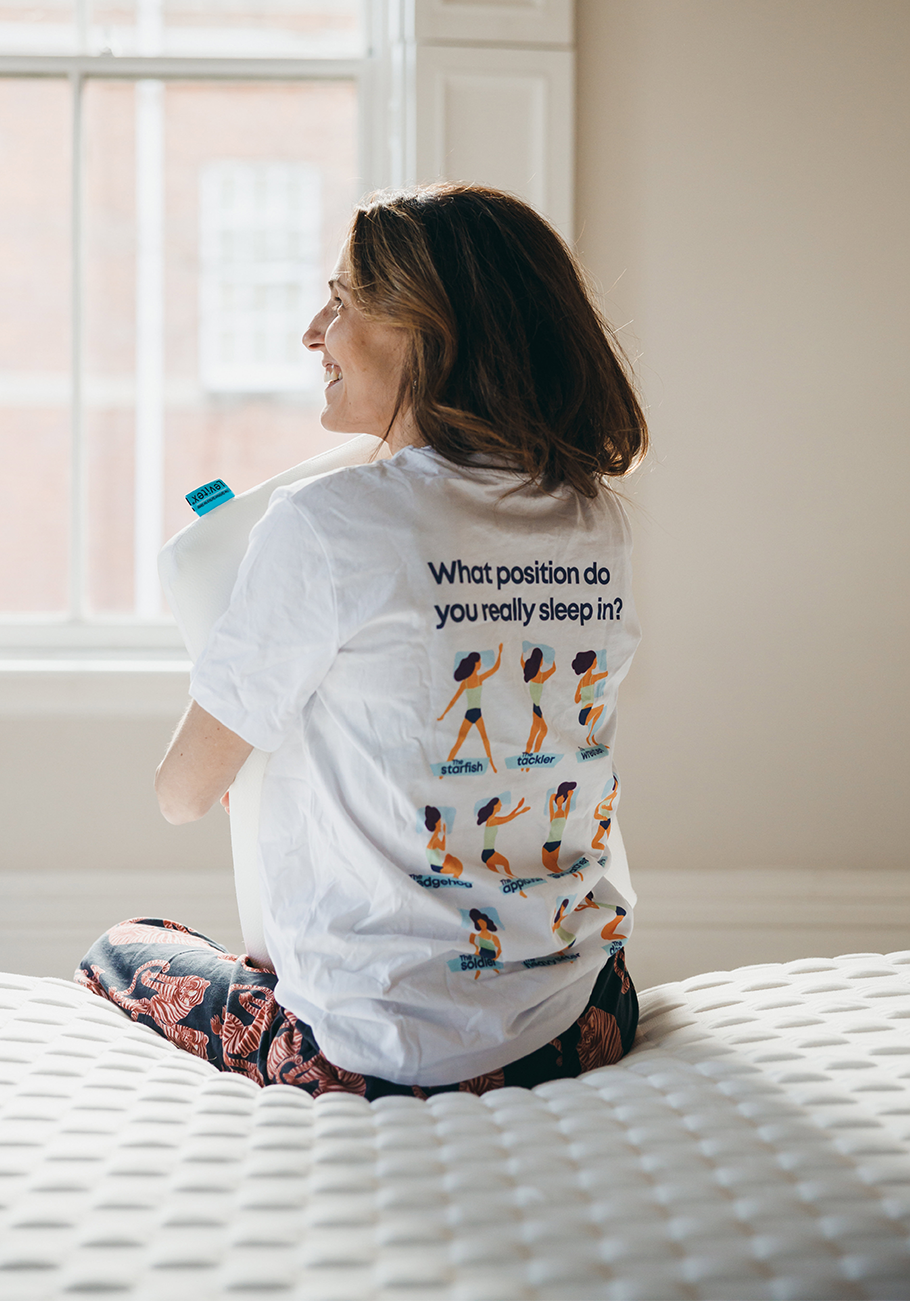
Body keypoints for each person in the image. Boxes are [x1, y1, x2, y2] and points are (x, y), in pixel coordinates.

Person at [78, 183, 646, 1099]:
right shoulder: (591, 517)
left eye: (340, 301)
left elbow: (182, 794)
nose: (315, 332)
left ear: (426, 330)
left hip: (372, 1053)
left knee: (121, 949)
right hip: (582, 1020)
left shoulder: (325, 521)